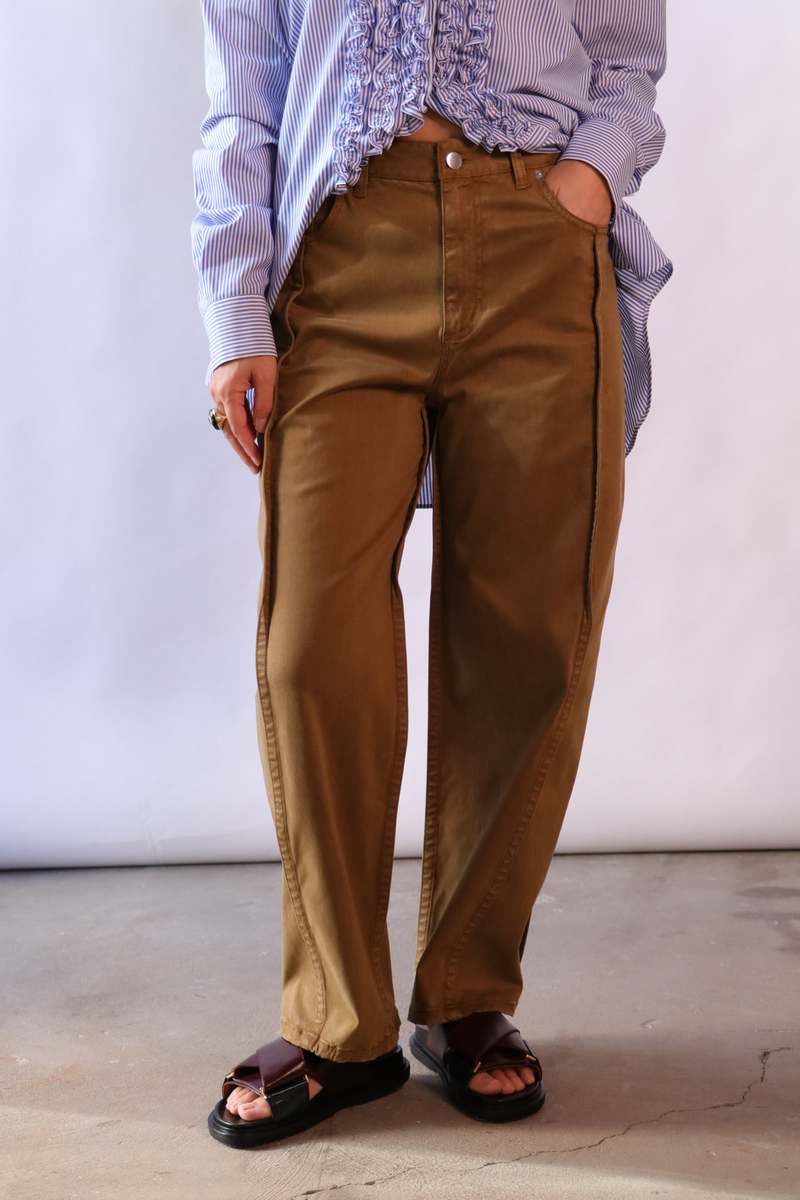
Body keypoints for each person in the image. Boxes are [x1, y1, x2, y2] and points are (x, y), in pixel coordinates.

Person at [191, 0, 673, 1149]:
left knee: (527, 638)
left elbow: (626, 58)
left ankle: (465, 995)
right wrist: (233, 306)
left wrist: (583, 184)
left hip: (537, 236)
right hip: (343, 246)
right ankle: (338, 1025)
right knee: (312, 644)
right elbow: (242, 96)